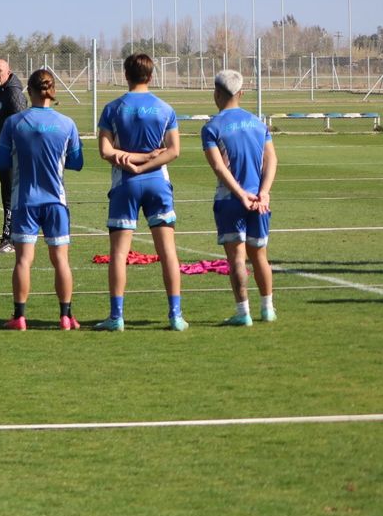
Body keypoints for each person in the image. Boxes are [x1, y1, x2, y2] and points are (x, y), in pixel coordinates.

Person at [95, 53, 186, 331]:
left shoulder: (113, 108)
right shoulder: (165, 108)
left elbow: (105, 151)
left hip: (125, 183)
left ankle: (116, 317)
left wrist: (131, 162)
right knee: (168, 252)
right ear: (151, 75)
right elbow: (173, 151)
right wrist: (147, 160)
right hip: (158, 181)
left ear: (125, 74)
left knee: (119, 253)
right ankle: (175, 316)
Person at [0, 70, 84, 330]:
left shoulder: (14, 123)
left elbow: (1, 161)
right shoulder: (67, 124)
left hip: (25, 201)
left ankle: (19, 316)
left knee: (23, 260)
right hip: (56, 201)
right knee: (61, 260)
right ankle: (66, 316)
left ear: (29, 92)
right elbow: (77, 162)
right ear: (53, 90)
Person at [201, 70, 277, 326]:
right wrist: (263, 192)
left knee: (236, 259)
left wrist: (239, 194)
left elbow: (219, 168)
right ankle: (268, 309)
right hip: (259, 202)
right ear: (241, 93)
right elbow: (271, 159)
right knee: (260, 257)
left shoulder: (212, 127)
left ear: (217, 94)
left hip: (230, 200)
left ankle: (243, 313)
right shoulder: (258, 123)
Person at [0, 57, 29, 254]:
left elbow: (22, 125)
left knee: (11, 197)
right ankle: (16, 237)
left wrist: (17, 153)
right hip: (3, 155)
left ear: (8, 72)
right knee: (8, 196)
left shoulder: (13, 94)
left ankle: (9, 239)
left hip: (14, 156)